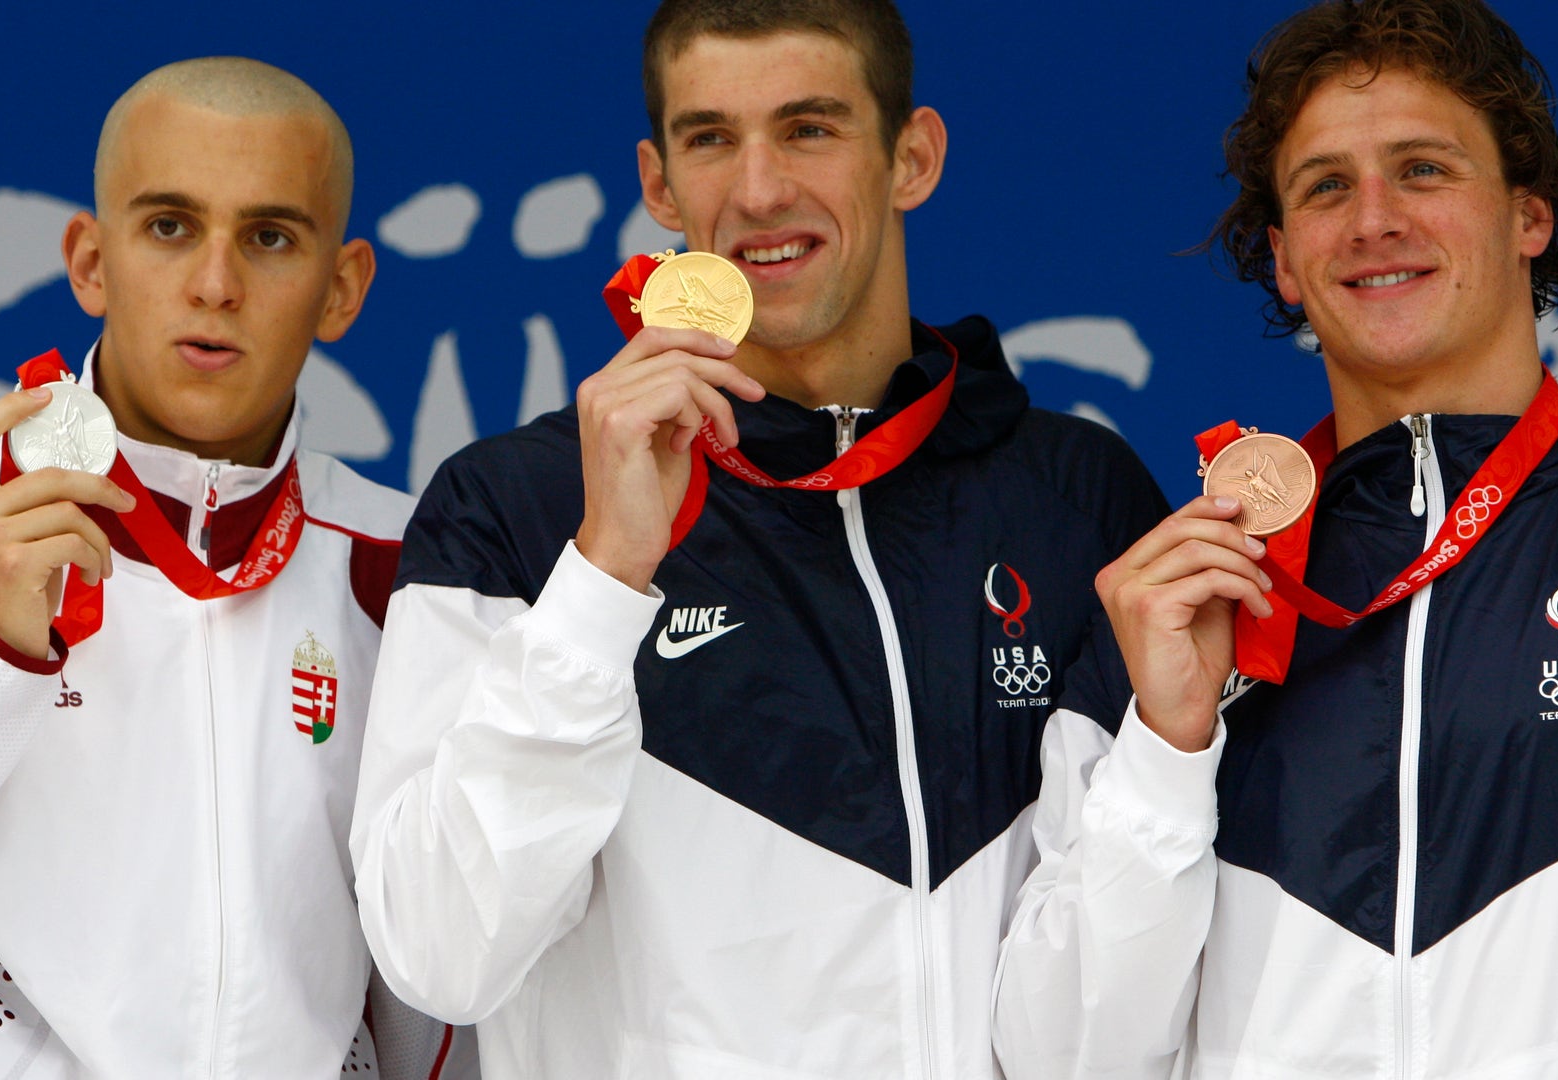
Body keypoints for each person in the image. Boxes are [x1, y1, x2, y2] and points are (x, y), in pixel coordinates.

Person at [350, 0, 1168, 1075]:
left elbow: (1123, 1000)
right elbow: (438, 954)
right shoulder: (517, 506)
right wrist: (602, 576)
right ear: (658, 184)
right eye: (711, 139)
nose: (760, 190)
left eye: (810, 128)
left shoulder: (1077, 496)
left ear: (911, 157)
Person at [991, 0, 1558, 1075]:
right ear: (1287, 260)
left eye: (1424, 170)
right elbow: (1060, 1059)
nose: (1374, 219)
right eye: (1327, 186)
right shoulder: (1187, 597)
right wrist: (1166, 749)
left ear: (1528, 214)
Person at [0, 57, 469, 1078]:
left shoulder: (409, 561)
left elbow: (446, 995)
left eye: (268, 236)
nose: (215, 284)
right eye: (170, 226)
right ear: (89, 260)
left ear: (342, 288)